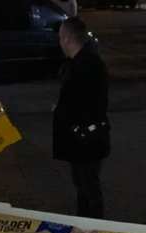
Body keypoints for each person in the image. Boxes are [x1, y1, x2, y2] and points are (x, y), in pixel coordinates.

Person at [54, 17, 110, 218]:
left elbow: (87, 104)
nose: (59, 42)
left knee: (88, 187)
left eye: (60, 37)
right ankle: (85, 224)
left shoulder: (86, 65)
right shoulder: (80, 62)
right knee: (83, 186)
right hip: (83, 138)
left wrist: (66, 114)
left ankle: (94, 228)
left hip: (87, 139)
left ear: (68, 39)